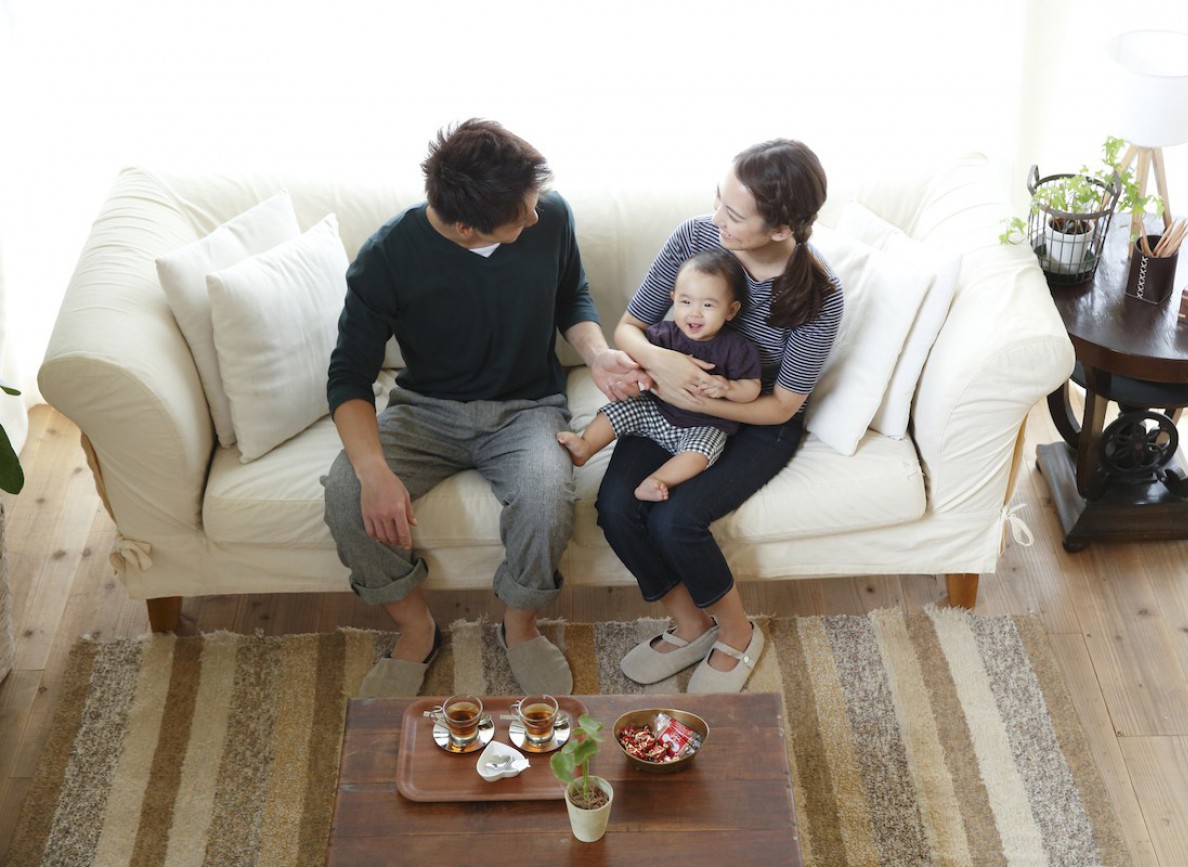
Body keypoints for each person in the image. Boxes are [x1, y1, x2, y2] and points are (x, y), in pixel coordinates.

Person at [323, 118, 642, 697]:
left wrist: (596, 354)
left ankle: (519, 627)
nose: (536, 217)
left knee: (548, 496)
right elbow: (348, 375)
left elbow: (571, 294)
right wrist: (373, 473)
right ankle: (417, 629)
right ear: (467, 228)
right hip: (425, 410)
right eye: (522, 214)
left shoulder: (551, 216)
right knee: (348, 493)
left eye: (534, 202)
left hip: (527, 407)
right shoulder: (387, 256)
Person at [597, 138, 842, 694]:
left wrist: (701, 400)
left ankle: (737, 632)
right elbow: (629, 327)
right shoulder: (696, 238)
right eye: (718, 201)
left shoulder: (817, 295)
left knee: (675, 520)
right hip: (668, 397)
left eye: (733, 214)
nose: (717, 220)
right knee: (615, 506)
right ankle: (690, 625)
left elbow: (783, 403)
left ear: (781, 228)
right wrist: (665, 366)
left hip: (761, 420)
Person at [557, 247, 761, 502]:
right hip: (656, 410)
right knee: (621, 409)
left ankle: (658, 480)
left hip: (705, 423)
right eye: (686, 302)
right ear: (673, 298)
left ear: (730, 311)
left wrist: (728, 389)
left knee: (703, 452)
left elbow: (752, 388)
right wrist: (635, 374)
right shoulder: (662, 335)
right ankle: (586, 445)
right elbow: (637, 361)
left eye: (708, 305)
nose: (694, 313)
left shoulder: (737, 348)